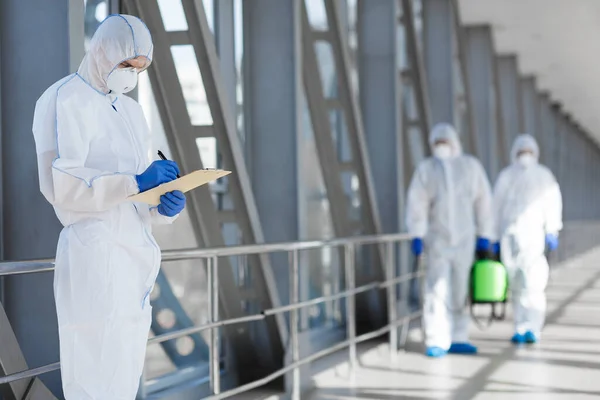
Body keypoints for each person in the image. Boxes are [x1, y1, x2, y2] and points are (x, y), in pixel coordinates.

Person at [32, 15, 186, 399]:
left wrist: (163, 204)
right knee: (92, 371)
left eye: (140, 68)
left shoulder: (132, 112)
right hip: (94, 254)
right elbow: (61, 187)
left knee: (125, 371)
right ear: (102, 52)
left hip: (135, 261)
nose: (131, 75)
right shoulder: (63, 98)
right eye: (126, 64)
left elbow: (136, 198)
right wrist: (137, 182)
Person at [406, 123, 494, 358]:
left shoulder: (470, 167)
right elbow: (417, 203)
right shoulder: (427, 170)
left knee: (460, 289)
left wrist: (485, 234)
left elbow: (484, 201)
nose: (441, 147)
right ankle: (436, 339)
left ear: (455, 142)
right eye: (437, 143)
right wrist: (417, 232)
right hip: (437, 240)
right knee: (436, 288)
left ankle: (459, 336)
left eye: (445, 142)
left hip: (465, 239)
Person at [492, 134, 562, 344]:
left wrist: (552, 229)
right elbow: (495, 207)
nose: (525, 156)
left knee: (534, 284)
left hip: (534, 236)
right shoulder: (506, 176)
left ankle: (534, 327)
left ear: (536, 153)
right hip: (510, 236)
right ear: (515, 153)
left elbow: (552, 202)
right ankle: (520, 326)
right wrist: (493, 235)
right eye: (522, 152)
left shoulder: (543, 176)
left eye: (528, 152)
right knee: (515, 284)